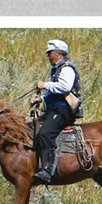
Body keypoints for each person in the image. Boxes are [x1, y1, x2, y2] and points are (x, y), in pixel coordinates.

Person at [33, 39, 81, 183]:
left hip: (64, 110)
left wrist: (45, 84)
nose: (48, 56)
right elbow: (55, 91)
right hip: (56, 108)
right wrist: (40, 99)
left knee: (45, 133)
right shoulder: (57, 69)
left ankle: (47, 170)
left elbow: (64, 87)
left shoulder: (66, 68)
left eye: (50, 53)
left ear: (59, 53)